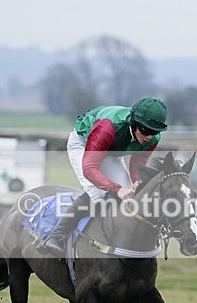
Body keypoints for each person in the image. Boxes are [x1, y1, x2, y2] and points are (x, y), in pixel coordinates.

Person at [37, 96, 168, 257]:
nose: (149, 136)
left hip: (112, 151)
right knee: (98, 193)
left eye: (155, 131)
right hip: (84, 144)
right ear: (133, 122)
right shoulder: (107, 128)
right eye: (146, 130)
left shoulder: (153, 138)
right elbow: (89, 169)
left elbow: (137, 163)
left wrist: (137, 181)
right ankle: (55, 236)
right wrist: (116, 188)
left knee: (129, 195)